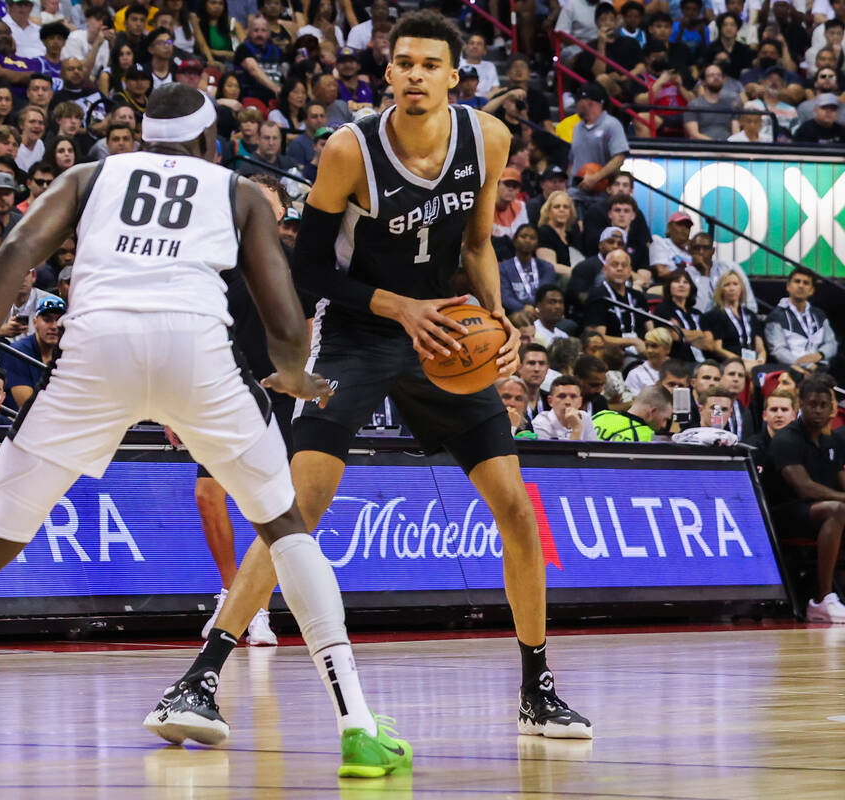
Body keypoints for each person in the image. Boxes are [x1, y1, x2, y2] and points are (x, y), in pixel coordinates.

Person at [0, 82, 409, 780]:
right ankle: (357, 726)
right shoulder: (236, 191)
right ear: (209, 143)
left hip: (95, 352)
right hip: (195, 353)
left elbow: (14, 252)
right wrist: (295, 374)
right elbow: (286, 321)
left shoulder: (91, 176)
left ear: (144, 140)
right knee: (286, 529)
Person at [149, 12, 592, 750]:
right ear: (386, 74)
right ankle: (200, 676)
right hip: (357, 332)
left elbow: (478, 241)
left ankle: (537, 689)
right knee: (298, 506)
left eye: (430, 64)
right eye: (403, 63)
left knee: (515, 507)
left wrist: (502, 318)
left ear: (456, 76)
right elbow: (312, 269)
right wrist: (399, 307)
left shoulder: (488, 139)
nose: (415, 74)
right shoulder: (349, 150)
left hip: (447, 332)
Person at [761, 374, 845, 622]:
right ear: (800, 405)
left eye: (823, 405)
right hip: (783, 515)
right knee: (838, 510)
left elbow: (840, 478)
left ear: (832, 409)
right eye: (812, 404)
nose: (817, 410)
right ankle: (821, 599)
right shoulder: (787, 439)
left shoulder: (831, 441)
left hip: (821, 513)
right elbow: (805, 489)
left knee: (838, 509)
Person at [567, 82, 628, 215]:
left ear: (588, 102)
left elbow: (619, 158)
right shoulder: (577, 127)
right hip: (575, 195)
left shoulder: (611, 125)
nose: (576, 105)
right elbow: (572, 160)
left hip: (600, 197)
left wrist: (596, 178)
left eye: (578, 100)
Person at [0, 293, 65, 411]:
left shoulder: (68, 352)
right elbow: (28, 406)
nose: (54, 326)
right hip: (14, 423)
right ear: (35, 323)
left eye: (59, 320)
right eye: (47, 320)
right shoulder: (17, 353)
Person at [765, 266, 837, 372]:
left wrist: (820, 354)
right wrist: (806, 365)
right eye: (797, 281)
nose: (801, 286)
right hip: (791, 371)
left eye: (806, 283)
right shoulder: (776, 316)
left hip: (820, 369)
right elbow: (778, 350)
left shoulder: (820, 315)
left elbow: (832, 343)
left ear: (812, 290)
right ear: (788, 286)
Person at [583, 249, 648, 353]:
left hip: (643, 350)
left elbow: (651, 330)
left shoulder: (638, 296)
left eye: (624, 265)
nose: (620, 269)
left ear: (630, 270)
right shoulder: (598, 296)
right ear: (605, 269)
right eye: (615, 265)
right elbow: (599, 338)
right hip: (612, 354)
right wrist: (633, 341)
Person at [703, 270, 767, 370]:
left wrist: (760, 361)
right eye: (727, 285)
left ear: (741, 288)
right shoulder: (715, 315)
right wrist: (741, 362)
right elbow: (717, 348)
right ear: (721, 289)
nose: (732, 288)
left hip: (752, 363)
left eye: (735, 284)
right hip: (729, 364)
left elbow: (760, 348)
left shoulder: (750, 315)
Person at [654, 270, 711, 364]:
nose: (681, 285)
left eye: (686, 282)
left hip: (703, 362)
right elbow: (675, 336)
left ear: (690, 287)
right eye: (677, 281)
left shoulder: (697, 313)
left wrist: (684, 333)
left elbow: (709, 344)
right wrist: (700, 334)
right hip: (677, 361)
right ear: (669, 286)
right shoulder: (663, 309)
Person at [499, 225, 554, 313]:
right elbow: (506, 297)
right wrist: (522, 308)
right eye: (523, 236)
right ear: (514, 240)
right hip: (515, 313)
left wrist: (536, 309)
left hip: (541, 312)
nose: (528, 240)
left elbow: (545, 293)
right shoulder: (503, 267)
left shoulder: (546, 267)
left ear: (537, 243)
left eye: (532, 238)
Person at [592, 383, 673, 442]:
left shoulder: (600, 416)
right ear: (652, 411)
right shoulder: (648, 437)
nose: (664, 425)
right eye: (665, 419)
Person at [532, 375, 599, 441]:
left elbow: (593, 451)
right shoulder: (541, 423)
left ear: (580, 402)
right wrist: (576, 429)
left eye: (573, 396)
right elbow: (551, 452)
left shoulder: (585, 418)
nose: (567, 402)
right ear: (550, 401)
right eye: (562, 396)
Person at [744, 387, 797, 460]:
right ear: (764, 415)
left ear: (794, 416)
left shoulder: (803, 447)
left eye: (784, 410)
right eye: (774, 410)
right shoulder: (749, 448)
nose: (779, 415)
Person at [624, 328, 673, 397]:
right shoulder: (635, 374)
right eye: (647, 346)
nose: (649, 350)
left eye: (654, 346)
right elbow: (631, 403)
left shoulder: (678, 370)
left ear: (667, 348)